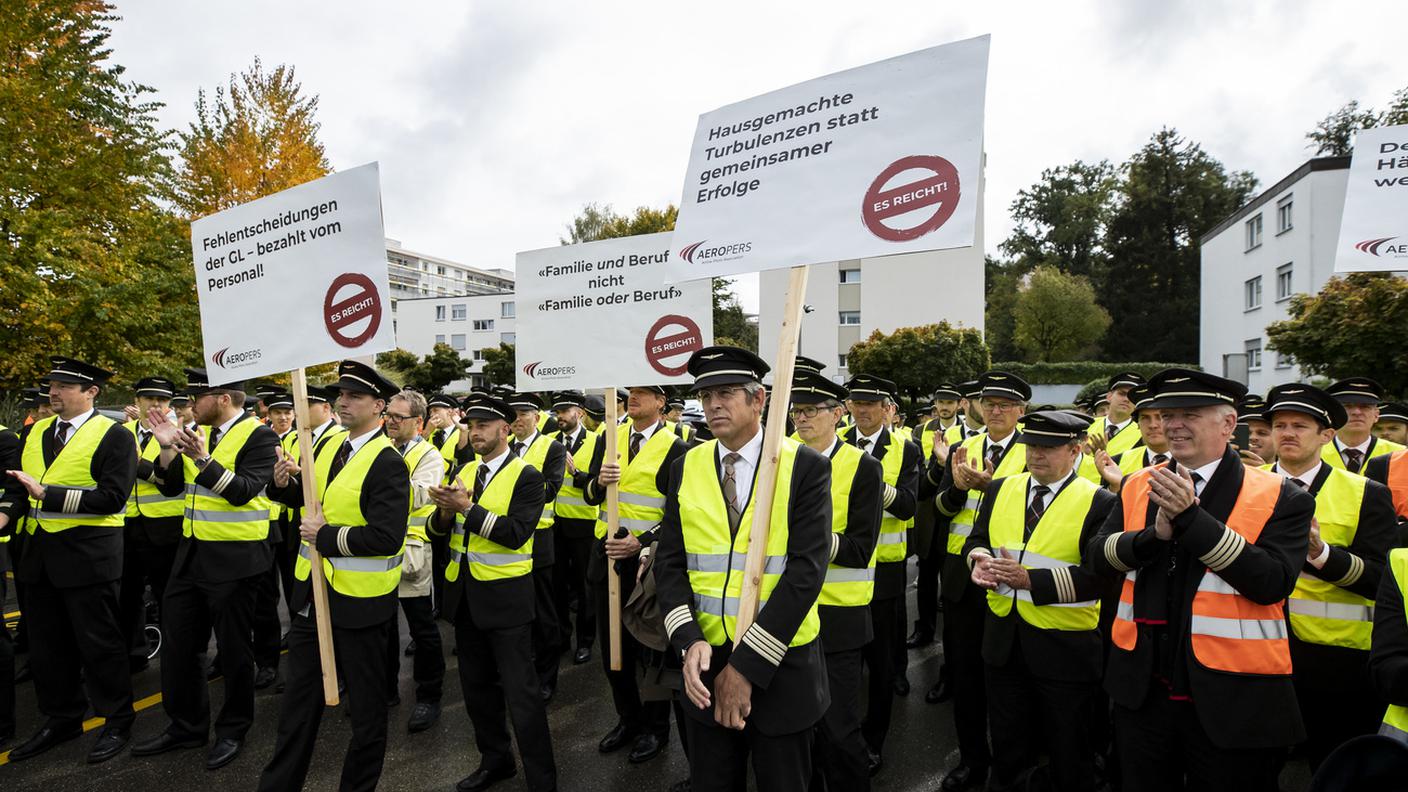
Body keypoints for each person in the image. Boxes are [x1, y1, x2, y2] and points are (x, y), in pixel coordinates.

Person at [1089, 368, 1314, 792]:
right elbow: (1097, 558)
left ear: (1229, 424)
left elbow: (1271, 582)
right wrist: (1151, 538)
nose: (1172, 425)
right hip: (1143, 691)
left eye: (1189, 414)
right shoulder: (1137, 483)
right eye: (1166, 414)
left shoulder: (1283, 495)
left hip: (1234, 695)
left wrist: (1192, 519)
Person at [655, 345, 831, 792]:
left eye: (728, 392)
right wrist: (687, 639)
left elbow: (805, 575)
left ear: (759, 400)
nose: (713, 404)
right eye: (705, 394)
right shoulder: (684, 466)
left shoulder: (804, 466)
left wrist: (746, 668)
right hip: (704, 669)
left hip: (781, 668)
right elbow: (672, 564)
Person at [257, 362, 409, 792]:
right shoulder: (325, 447)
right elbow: (311, 500)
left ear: (379, 406)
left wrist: (326, 536)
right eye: (340, 395)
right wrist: (282, 483)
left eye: (354, 396)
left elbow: (386, 536)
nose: (342, 401)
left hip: (361, 605)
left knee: (366, 714)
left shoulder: (388, 461)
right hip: (312, 598)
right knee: (297, 710)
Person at [132, 369, 278, 771]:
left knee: (233, 651)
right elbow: (171, 486)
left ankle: (232, 730)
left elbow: (243, 491)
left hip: (236, 560)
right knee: (180, 649)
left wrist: (201, 458)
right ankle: (185, 727)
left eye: (197, 398)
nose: (189, 406)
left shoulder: (261, 436)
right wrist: (165, 449)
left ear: (224, 398)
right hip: (191, 555)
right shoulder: (202, 431)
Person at [965, 410, 1118, 791]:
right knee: (1007, 743)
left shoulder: (1098, 501)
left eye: (1048, 448)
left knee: (1069, 749)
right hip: (1003, 642)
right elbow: (976, 538)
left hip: (1064, 649)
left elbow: (1101, 579)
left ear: (1076, 449)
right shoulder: (1001, 488)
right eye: (1032, 445)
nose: (1036, 454)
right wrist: (978, 560)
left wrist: (1031, 581)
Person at [1, 357, 137, 764]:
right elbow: (21, 485)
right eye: (51, 384)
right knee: (47, 648)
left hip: (88, 557)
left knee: (99, 645)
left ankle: (117, 720)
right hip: (39, 558)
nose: (53, 392)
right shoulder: (39, 430)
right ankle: (61, 718)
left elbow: (113, 498)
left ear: (91, 392)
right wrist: (8, 511)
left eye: (63, 386)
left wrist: (49, 494)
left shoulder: (113, 435)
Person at [1263, 383, 1397, 770]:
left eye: (1300, 426)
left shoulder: (1365, 492)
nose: (1287, 432)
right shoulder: (1242, 484)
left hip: (1337, 664)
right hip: (1257, 654)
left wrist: (1321, 554)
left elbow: (1381, 581)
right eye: (1280, 424)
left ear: (1327, 435)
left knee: (1335, 768)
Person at [428, 392, 556, 792]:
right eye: (470, 426)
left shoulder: (528, 476)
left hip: (507, 603)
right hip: (466, 601)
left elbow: (516, 536)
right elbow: (438, 534)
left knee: (522, 696)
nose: (474, 432)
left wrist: (466, 509)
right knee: (477, 691)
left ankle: (542, 778)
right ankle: (495, 761)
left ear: (505, 428)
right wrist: (446, 513)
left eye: (482, 426)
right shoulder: (465, 468)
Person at [930, 370, 1033, 790]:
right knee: (967, 677)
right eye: (988, 403)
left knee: (1011, 685)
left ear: (1021, 411)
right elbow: (939, 509)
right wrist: (955, 488)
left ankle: (1013, 768)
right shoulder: (962, 447)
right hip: (962, 579)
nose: (994, 411)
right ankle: (973, 760)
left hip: (1013, 580)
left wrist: (994, 487)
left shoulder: (1035, 447)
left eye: (1005, 405)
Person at [583, 384, 690, 764]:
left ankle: (655, 729)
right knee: (613, 651)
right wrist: (597, 482)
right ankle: (627, 719)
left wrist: (641, 541)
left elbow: (678, 517)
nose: (634, 397)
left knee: (650, 653)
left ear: (662, 402)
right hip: (606, 557)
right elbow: (590, 498)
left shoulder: (677, 448)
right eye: (631, 392)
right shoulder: (609, 436)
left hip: (646, 564)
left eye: (645, 392)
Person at [791, 372, 883, 792]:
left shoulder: (864, 467)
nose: (801, 419)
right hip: (788, 612)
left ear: (836, 414)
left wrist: (808, 538)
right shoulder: (782, 459)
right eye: (796, 411)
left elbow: (860, 548)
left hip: (839, 616)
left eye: (810, 411)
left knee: (839, 729)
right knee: (797, 727)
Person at [840, 373, 919, 774]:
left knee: (881, 660)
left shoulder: (905, 447)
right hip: (835, 569)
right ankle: (841, 736)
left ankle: (874, 740)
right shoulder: (832, 441)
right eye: (857, 402)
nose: (863, 410)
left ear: (886, 407)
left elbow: (907, 505)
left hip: (884, 568)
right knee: (841, 663)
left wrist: (871, 483)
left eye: (871, 403)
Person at [382, 389, 447, 733]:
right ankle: (387, 689)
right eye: (388, 415)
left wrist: (377, 483)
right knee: (382, 627)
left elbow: (422, 493)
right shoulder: (379, 448)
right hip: (377, 551)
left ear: (418, 423)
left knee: (422, 629)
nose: (390, 422)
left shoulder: (430, 455)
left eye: (398, 417)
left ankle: (428, 696)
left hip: (412, 555)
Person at [504, 392, 567, 700]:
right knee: (516, 613)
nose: (516, 419)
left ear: (537, 418)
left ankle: (546, 677)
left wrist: (513, 489)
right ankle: (521, 672)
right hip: (506, 539)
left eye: (523, 414)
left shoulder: (552, 447)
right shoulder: (502, 447)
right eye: (512, 414)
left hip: (539, 539)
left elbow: (551, 489)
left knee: (544, 614)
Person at [119, 376, 183, 674]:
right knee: (127, 595)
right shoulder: (121, 433)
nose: (155, 405)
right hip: (126, 525)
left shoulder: (181, 434)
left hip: (165, 528)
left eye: (162, 400)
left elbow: (173, 482)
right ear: (137, 401)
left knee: (167, 597)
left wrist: (138, 464)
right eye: (149, 399)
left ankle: (174, 655)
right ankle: (133, 652)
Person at [910, 382, 964, 653]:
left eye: (949, 402)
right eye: (940, 402)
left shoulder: (964, 433)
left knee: (952, 580)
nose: (944, 407)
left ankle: (951, 643)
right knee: (927, 575)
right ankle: (924, 629)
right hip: (929, 511)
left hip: (955, 515)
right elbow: (918, 475)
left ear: (959, 405)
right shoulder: (920, 431)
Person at [549, 391, 599, 665]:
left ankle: (585, 641)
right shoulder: (549, 443)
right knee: (557, 586)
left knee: (584, 588)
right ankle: (561, 638)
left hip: (583, 525)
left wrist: (576, 475)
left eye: (564, 411)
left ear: (579, 412)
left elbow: (598, 483)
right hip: (554, 525)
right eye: (556, 412)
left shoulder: (595, 441)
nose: (560, 417)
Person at [252, 389, 295, 690]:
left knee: (294, 586)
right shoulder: (260, 437)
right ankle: (267, 663)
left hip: (291, 522)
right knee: (266, 595)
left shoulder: (302, 439)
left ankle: (298, 639)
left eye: (288, 412)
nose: (283, 417)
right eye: (278, 412)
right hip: (263, 523)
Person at [1093, 385, 1172, 492]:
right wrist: (1116, 486)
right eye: (1145, 418)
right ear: (1137, 424)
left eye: (1159, 417)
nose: (1153, 425)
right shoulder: (1117, 462)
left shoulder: (1193, 459)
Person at [1324, 378, 1407, 473]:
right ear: (1333, 414)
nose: (1357, 412)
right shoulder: (1314, 452)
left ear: (1376, 415)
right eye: (1347, 406)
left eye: (1365, 407)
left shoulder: (1400, 453)